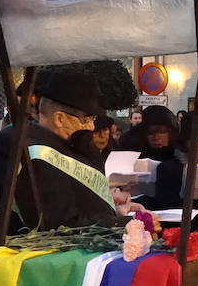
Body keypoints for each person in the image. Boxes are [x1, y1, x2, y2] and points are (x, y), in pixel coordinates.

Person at [9, 67, 121, 231]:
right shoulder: (34, 151)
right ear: (60, 118)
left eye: (93, 119)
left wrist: (115, 208)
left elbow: (86, 202)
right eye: (86, 120)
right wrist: (124, 223)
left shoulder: (73, 144)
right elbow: (62, 223)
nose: (91, 127)